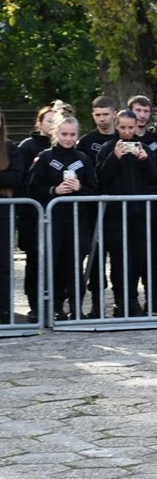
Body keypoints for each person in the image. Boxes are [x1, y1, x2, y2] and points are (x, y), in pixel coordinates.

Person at [27, 115, 98, 321]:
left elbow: (95, 190)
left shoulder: (83, 159)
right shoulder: (45, 157)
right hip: (52, 221)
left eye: (72, 134)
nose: (68, 138)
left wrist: (80, 188)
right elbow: (32, 188)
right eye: (64, 134)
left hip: (76, 222)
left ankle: (76, 308)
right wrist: (54, 190)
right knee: (51, 264)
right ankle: (50, 307)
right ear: (56, 133)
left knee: (74, 265)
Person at [95, 109, 157, 317]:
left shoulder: (144, 148)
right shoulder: (107, 148)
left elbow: (155, 178)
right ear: (116, 126)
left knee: (137, 260)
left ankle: (132, 301)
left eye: (130, 128)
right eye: (123, 127)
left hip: (140, 214)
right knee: (119, 261)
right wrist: (114, 157)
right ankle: (122, 302)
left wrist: (145, 160)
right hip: (116, 216)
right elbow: (101, 177)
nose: (126, 132)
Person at [16, 105, 59, 322]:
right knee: (34, 260)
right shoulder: (27, 146)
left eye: (55, 120)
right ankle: (35, 304)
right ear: (39, 123)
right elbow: (23, 179)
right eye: (48, 120)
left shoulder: (63, 146)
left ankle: (57, 304)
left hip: (58, 214)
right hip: (32, 214)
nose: (52, 124)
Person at [0, 109, 26, 324]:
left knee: (3, 264)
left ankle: (4, 311)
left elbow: (17, 177)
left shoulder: (10, 148)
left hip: (4, 210)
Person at [77, 96, 117, 163]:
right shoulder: (85, 142)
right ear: (93, 115)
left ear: (114, 114)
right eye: (98, 115)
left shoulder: (123, 139)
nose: (102, 119)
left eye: (105, 114)